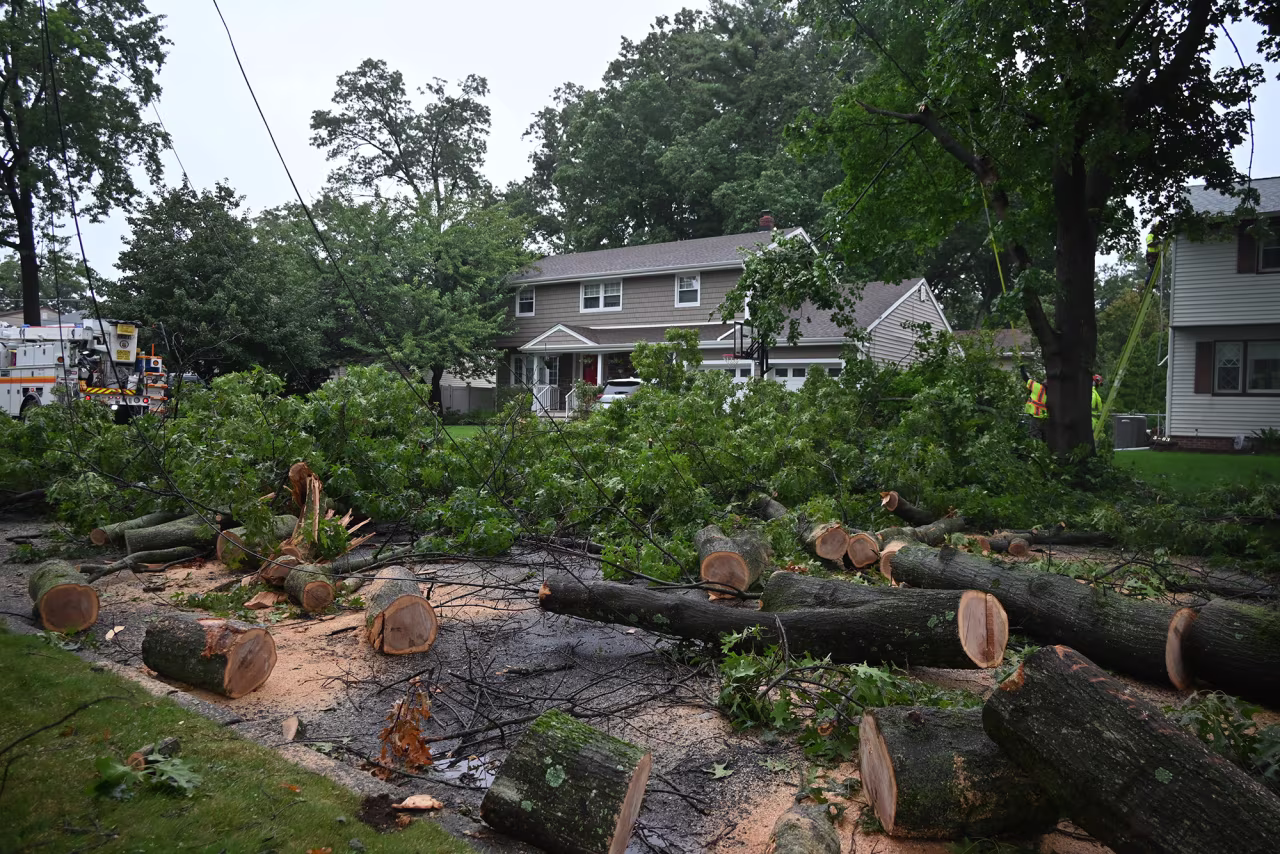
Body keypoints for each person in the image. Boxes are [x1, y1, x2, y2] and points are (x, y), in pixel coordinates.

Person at [1020, 365, 1048, 439]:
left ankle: (1036, 449)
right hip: (1045, 418)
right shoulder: (1053, 392)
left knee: (1034, 436)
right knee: (1044, 437)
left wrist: (1022, 368)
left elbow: (1026, 378)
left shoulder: (1038, 388)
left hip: (1036, 417)